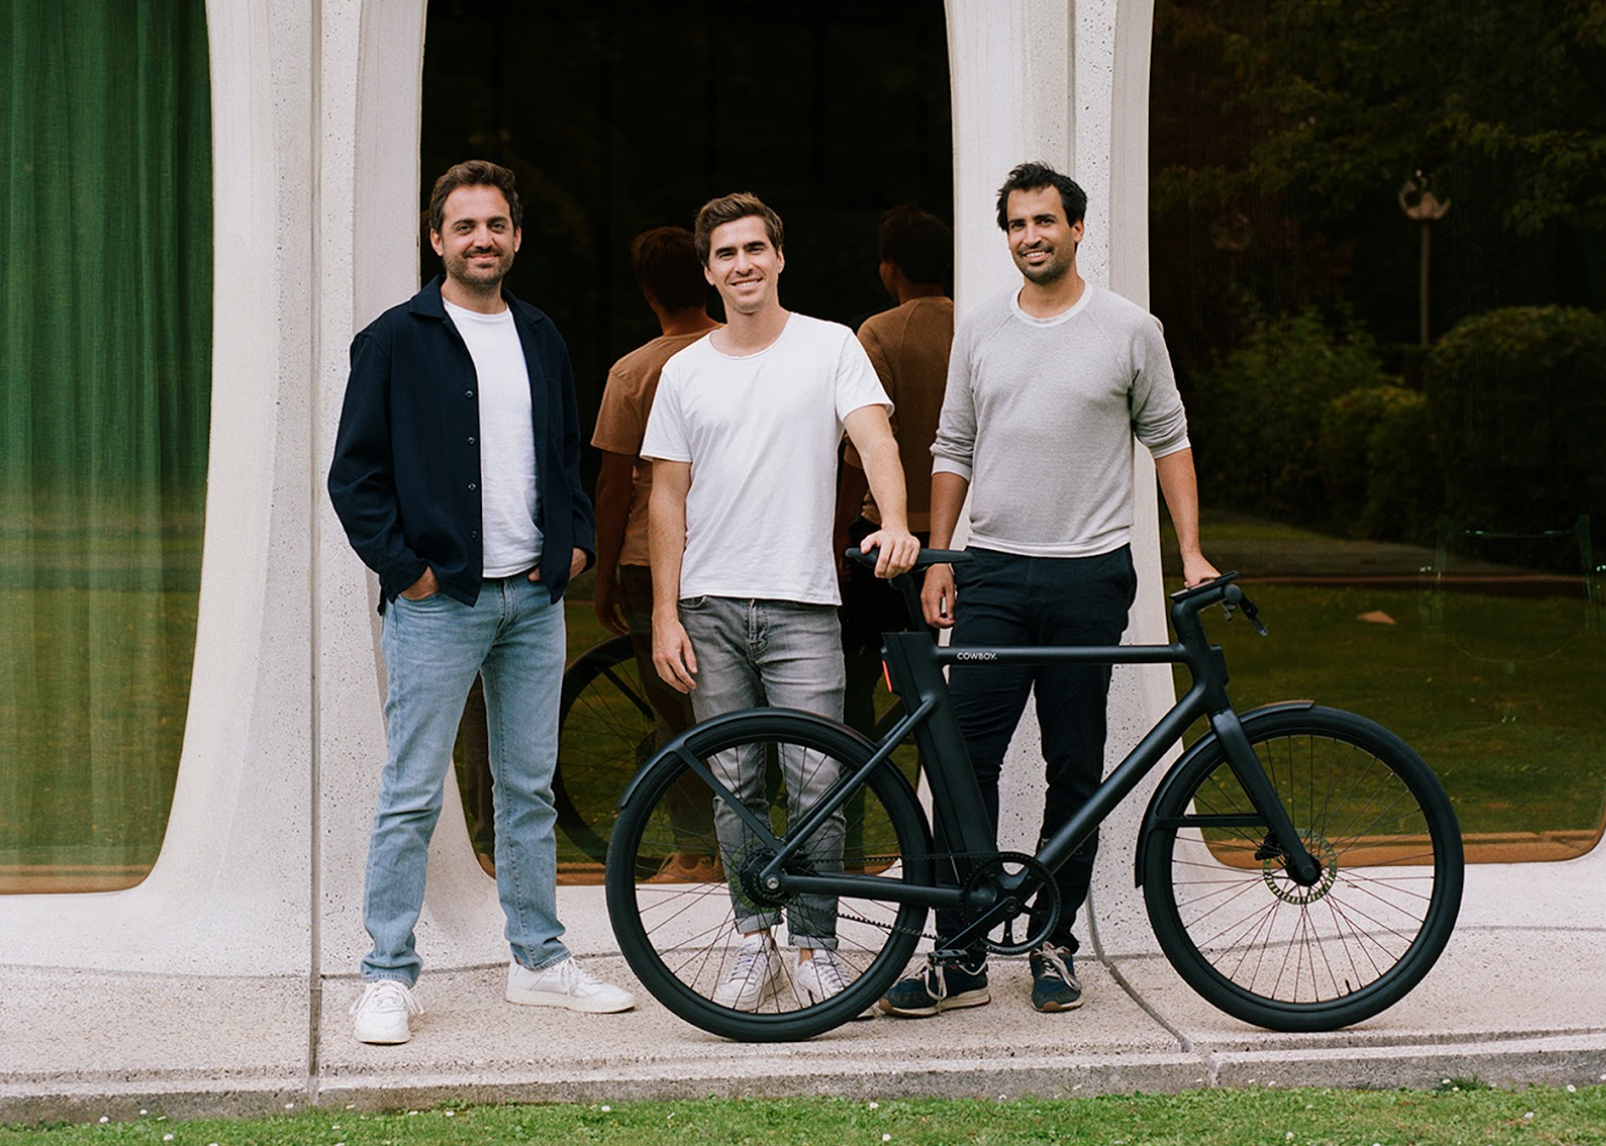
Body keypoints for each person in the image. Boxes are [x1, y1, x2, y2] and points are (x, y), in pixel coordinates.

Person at [880, 161, 1218, 1019]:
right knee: (965, 761)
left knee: (1077, 765)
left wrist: (1193, 553)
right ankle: (959, 954)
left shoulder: (1130, 330)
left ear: (1076, 229)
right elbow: (951, 445)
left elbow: (1170, 440)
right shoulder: (982, 329)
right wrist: (943, 557)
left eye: (1045, 221)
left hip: (1089, 575)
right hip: (991, 571)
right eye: (1017, 224)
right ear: (1007, 236)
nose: (1030, 236)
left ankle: (1054, 943)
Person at [329, 159, 635, 1045]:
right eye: (464, 226)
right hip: (438, 603)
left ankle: (538, 961)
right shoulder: (395, 339)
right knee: (411, 793)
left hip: (532, 602)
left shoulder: (539, 333)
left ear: (517, 235)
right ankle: (386, 976)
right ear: (437, 239)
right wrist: (408, 571)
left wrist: (573, 545)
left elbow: (568, 457)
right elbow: (355, 477)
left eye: (496, 224)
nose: (481, 239)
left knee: (529, 789)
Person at [642, 191, 920, 1011]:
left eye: (755, 249)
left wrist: (898, 522)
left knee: (818, 784)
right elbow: (667, 496)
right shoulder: (683, 370)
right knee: (733, 787)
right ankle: (752, 940)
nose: (742, 265)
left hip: (803, 604)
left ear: (779, 257)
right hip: (711, 608)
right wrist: (664, 611)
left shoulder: (830, 347)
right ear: (708, 271)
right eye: (726, 254)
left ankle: (815, 946)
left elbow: (875, 437)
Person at [591, 226, 718, 882]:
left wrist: (605, 571)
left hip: (650, 558)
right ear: (705, 276)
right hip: (731, 553)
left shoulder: (635, 371)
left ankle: (696, 851)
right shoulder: (742, 350)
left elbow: (615, 486)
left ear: (646, 291)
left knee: (675, 710)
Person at [833, 205, 955, 740]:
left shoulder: (880, 333)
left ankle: (856, 793)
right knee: (947, 680)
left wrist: (837, 530)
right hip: (964, 532)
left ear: (890, 267)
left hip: (888, 534)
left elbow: (866, 446)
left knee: (854, 677)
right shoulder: (974, 323)